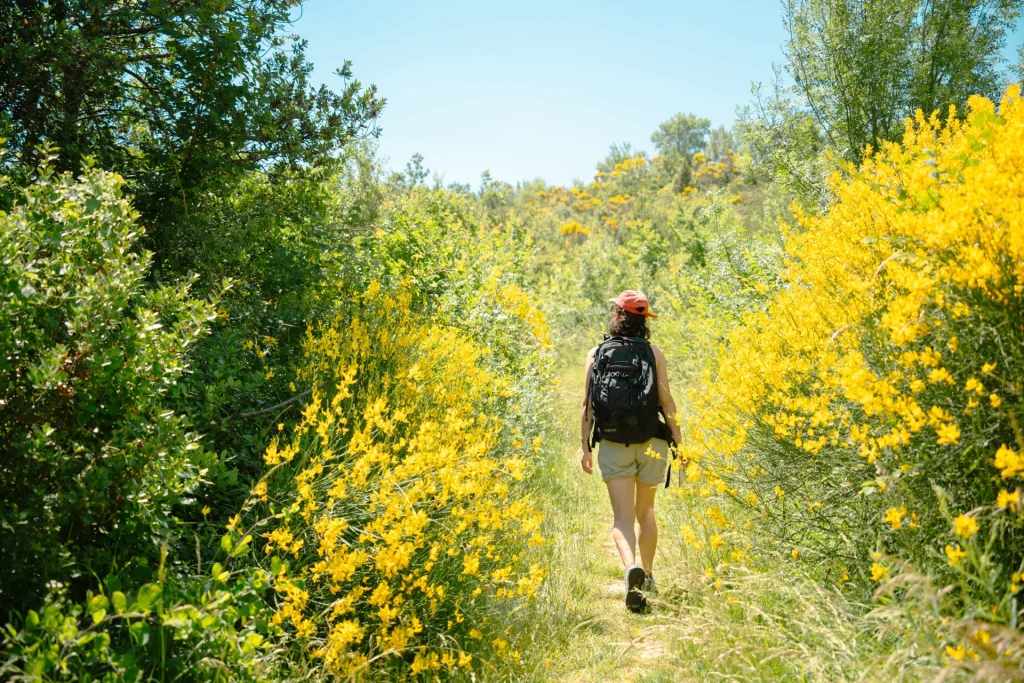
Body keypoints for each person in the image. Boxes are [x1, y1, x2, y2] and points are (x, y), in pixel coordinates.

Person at [580, 290, 683, 612]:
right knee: (646, 512)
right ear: (644, 320)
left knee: (622, 517)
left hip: (613, 442)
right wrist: (681, 444)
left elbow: (587, 405)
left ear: (617, 317)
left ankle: (630, 570)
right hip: (652, 442)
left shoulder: (597, 353)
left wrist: (584, 446)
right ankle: (648, 575)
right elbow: (666, 402)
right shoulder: (654, 353)